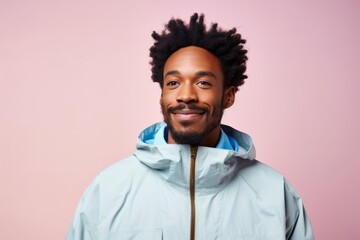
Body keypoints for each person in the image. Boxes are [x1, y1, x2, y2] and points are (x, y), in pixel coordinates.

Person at [66, 13, 314, 240]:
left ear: (228, 96)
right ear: (162, 95)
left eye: (203, 82)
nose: (186, 95)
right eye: (173, 83)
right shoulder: (109, 189)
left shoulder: (275, 193)